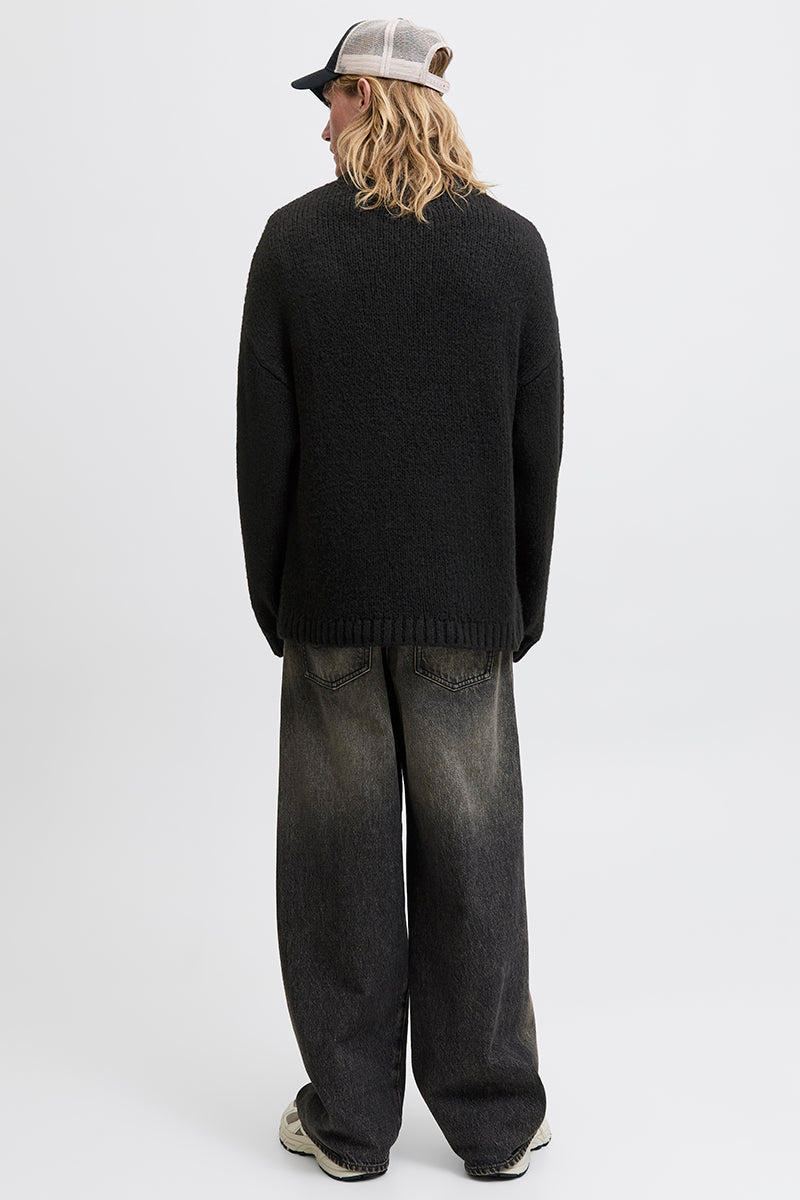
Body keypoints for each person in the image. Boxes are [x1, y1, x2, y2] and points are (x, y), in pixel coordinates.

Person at [236, 16, 564, 1182]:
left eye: (329, 99)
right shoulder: (509, 249)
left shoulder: (293, 243)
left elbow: (263, 444)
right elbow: (536, 445)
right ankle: (493, 1124)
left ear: (370, 98)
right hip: (466, 606)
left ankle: (348, 1123)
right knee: (475, 857)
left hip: (328, 602)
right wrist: (517, 600)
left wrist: (275, 596)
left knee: (337, 863)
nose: (321, 124)